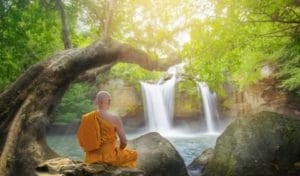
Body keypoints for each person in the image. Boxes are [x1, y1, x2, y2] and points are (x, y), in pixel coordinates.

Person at [77, 91, 137, 168]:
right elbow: (124, 142)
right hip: (109, 157)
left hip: (92, 157)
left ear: (96, 102)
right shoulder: (114, 118)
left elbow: (82, 138)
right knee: (133, 154)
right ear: (109, 103)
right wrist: (119, 150)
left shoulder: (87, 118)